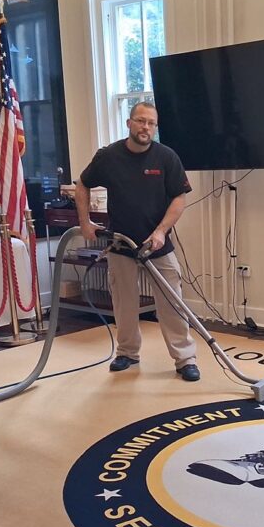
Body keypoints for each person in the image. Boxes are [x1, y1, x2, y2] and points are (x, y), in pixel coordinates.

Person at [77, 102, 200, 382]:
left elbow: (179, 198)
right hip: (121, 243)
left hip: (157, 244)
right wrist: (85, 222)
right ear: (129, 123)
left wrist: (161, 231)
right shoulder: (109, 157)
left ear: (155, 128)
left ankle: (185, 359)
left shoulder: (166, 157)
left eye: (151, 123)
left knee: (172, 302)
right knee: (124, 302)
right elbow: (83, 184)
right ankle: (127, 353)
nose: (146, 128)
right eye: (141, 121)